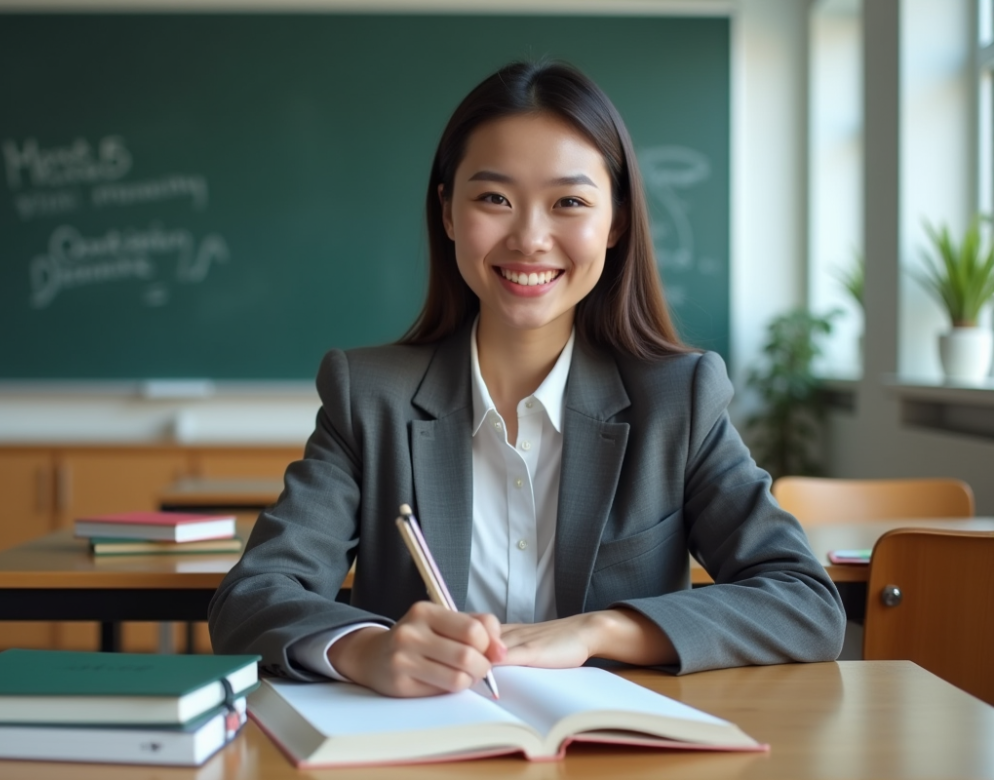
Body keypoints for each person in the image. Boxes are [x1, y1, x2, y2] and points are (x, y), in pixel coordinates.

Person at [208, 61, 845, 698]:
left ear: (616, 221)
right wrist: (369, 650)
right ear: (449, 213)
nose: (530, 238)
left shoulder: (678, 398)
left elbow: (804, 602)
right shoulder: (368, 396)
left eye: (569, 202)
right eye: (494, 199)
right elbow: (252, 596)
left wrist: (599, 631)